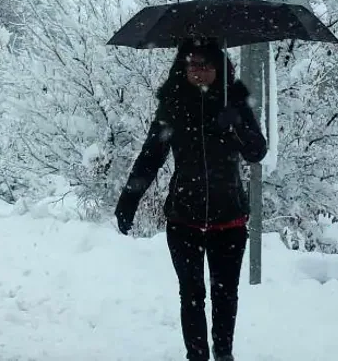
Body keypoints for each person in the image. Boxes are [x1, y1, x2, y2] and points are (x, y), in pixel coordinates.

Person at [115, 40, 268, 361]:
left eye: (206, 65)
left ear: (220, 68)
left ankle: (224, 354)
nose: (199, 72)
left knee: (225, 296)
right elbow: (150, 157)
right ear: (182, 68)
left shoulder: (235, 101)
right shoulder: (173, 106)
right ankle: (196, 356)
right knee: (192, 295)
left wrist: (237, 125)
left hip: (230, 220)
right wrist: (129, 199)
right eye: (193, 65)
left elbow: (257, 151)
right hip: (184, 220)